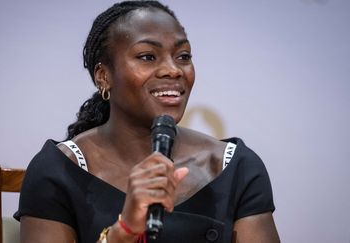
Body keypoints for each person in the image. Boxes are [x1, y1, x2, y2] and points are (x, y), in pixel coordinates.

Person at [14, 1, 280, 242]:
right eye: (148, 57)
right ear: (103, 76)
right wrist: (124, 231)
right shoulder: (57, 171)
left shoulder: (235, 166)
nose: (173, 70)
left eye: (183, 56)